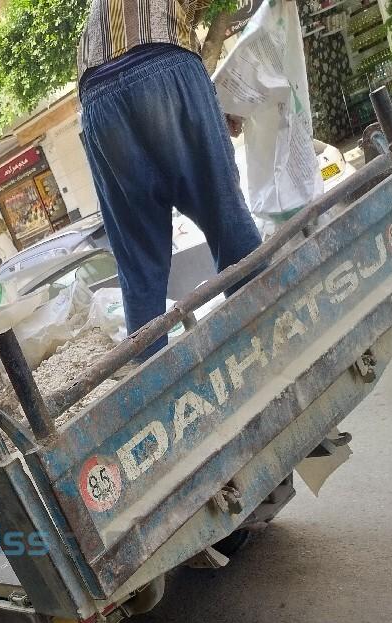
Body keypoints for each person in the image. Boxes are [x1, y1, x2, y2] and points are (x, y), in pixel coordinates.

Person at [78, 2, 263, 360]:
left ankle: (154, 378)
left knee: (140, 265)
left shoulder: (96, 13)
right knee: (227, 219)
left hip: (97, 101)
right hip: (163, 61)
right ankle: (268, 327)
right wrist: (204, 109)